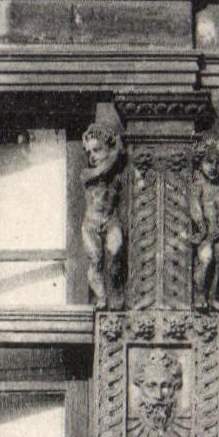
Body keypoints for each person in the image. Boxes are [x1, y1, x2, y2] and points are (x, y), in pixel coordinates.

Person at [80, 122, 126, 308]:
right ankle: (101, 297)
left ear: (107, 148)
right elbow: (103, 169)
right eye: (89, 152)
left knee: (116, 251)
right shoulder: (87, 174)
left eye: (97, 150)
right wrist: (117, 151)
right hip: (90, 224)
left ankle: (116, 289)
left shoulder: (117, 177)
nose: (92, 156)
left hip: (110, 220)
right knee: (96, 259)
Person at [191, 137, 219, 310]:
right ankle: (200, 295)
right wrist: (201, 228)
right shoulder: (199, 186)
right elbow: (195, 208)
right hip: (206, 231)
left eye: (218, 163)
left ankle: (215, 297)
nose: (214, 168)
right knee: (205, 260)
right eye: (209, 162)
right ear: (200, 162)